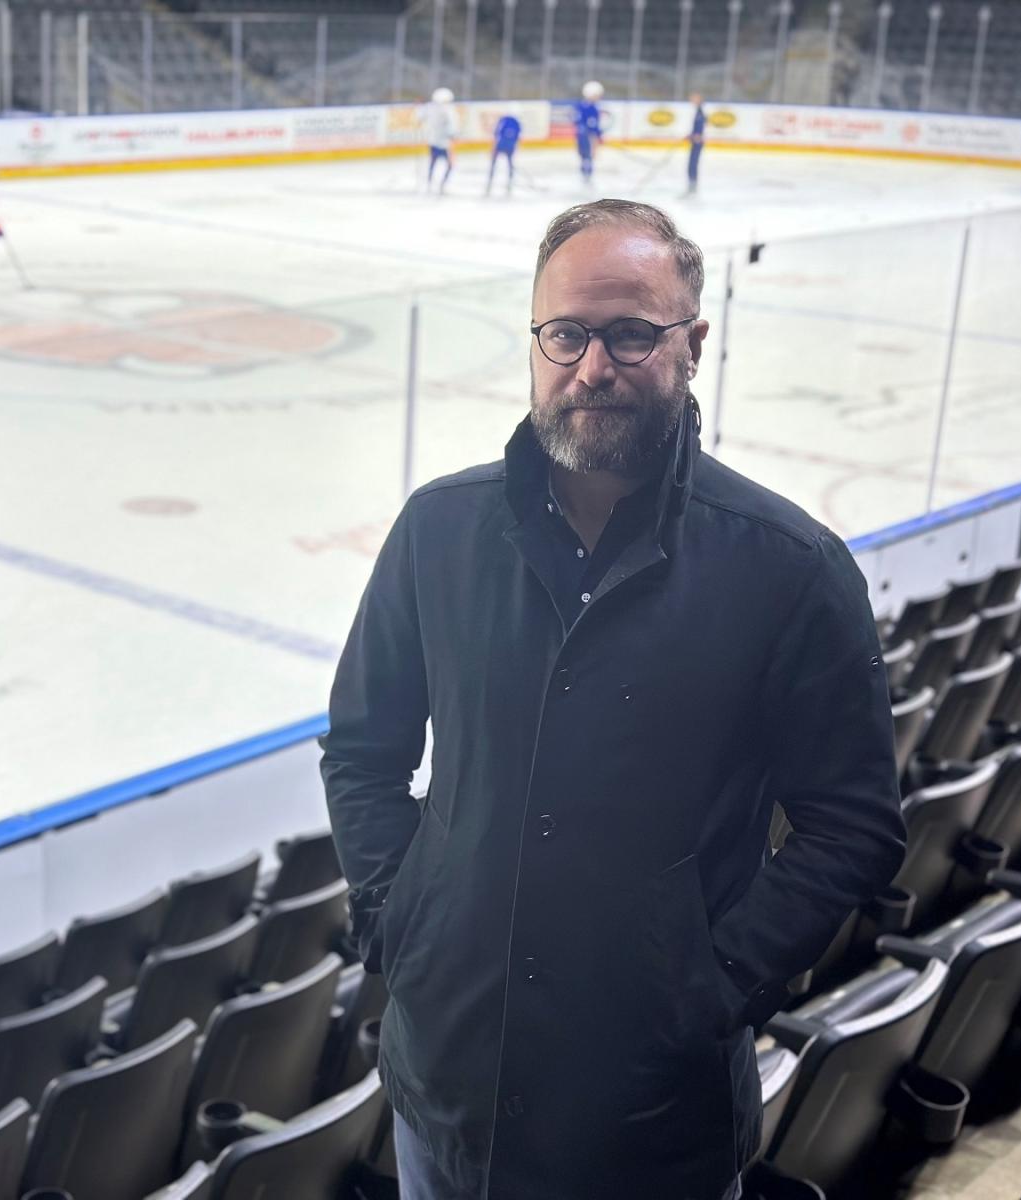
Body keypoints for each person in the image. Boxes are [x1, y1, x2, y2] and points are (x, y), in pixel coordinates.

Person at [321, 199, 905, 1199]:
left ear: (694, 343)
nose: (593, 367)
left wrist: (711, 985)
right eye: (566, 334)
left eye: (632, 334)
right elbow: (362, 753)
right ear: (535, 341)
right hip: (447, 1092)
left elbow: (852, 825)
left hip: (649, 1127)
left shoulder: (790, 570)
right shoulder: (438, 533)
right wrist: (400, 921)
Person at [423, 86, 457, 195]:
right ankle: (442, 184)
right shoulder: (449, 111)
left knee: (433, 163)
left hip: (433, 142)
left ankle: (429, 182)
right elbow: (452, 129)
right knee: (450, 165)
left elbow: (419, 117)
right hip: (444, 143)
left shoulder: (430, 108)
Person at [486, 109, 523, 198]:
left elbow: (496, 133)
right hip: (508, 146)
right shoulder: (516, 122)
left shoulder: (504, 120)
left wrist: (494, 146)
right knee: (509, 164)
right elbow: (518, 137)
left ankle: (491, 180)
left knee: (495, 164)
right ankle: (510, 181)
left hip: (501, 145)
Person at [574, 80, 605, 183]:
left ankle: (586, 174)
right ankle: (586, 176)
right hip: (587, 136)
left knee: (586, 156)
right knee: (587, 156)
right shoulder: (590, 108)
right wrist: (597, 136)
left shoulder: (581, 106)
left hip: (582, 135)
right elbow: (592, 126)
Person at [687, 91, 708, 195]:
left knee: (692, 164)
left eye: (694, 98)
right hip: (695, 141)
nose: (691, 100)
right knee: (691, 164)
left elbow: (700, 128)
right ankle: (691, 185)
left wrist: (696, 136)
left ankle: (693, 186)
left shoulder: (700, 112)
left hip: (697, 142)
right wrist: (691, 135)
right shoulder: (698, 111)